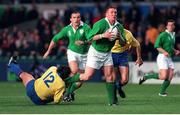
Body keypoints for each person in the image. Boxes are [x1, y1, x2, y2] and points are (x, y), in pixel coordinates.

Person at [65, 6, 126, 106]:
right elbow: (90, 37)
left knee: (110, 77)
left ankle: (112, 102)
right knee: (86, 76)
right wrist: (103, 35)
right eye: (111, 12)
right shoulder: (100, 24)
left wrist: (120, 37)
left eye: (115, 12)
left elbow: (123, 44)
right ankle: (65, 81)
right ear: (106, 15)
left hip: (107, 54)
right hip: (95, 53)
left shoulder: (119, 27)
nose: (114, 14)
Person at [43, 11, 91, 100]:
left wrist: (84, 42)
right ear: (71, 19)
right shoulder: (67, 29)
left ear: (80, 18)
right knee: (74, 70)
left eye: (78, 17)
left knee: (80, 81)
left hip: (84, 55)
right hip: (72, 52)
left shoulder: (86, 27)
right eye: (74, 17)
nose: (76, 19)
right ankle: (66, 93)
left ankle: (69, 91)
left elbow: (92, 40)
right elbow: (55, 38)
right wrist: (48, 51)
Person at [7, 56, 74, 105]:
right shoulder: (61, 85)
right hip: (38, 101)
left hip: (32, 88)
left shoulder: (53, 68)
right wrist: (63, 93)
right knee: (56, 93)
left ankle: (12, 64)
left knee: (23, 74)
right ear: (66, 76)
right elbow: (56, 101)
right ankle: (66, 96)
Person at [139, 19, 180, 96]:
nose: (170, 26)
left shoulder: (173, 35)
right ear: (166, 26)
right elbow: (157, 46)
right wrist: (164, 52)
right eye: (169, 25)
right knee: (164, 76)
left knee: (170, 76)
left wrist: (175, 51)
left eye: (172, 25)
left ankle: (161, 92)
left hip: (169, 57)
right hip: (162, 56)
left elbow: (170, 46)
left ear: (174, 26)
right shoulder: (162, 35)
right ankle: (147, 76)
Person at [111, 29, 143, 98]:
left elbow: (137, 44)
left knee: (125, 80)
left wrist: (139, 58)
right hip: (111, 55)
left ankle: (118, 87)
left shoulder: (128, 34)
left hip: (122, 55)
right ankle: (113, 98)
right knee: (112, 78)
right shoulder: (109, 32)